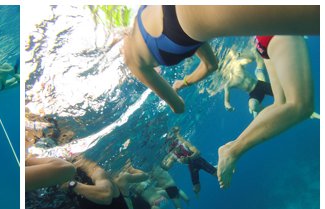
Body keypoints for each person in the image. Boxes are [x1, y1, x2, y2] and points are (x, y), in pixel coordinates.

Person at [120, 5, 318, 114]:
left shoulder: (133, 61)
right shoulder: (140, 16)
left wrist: (178, 87)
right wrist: (186, 80)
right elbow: (211, 65)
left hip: (185, 19)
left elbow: (179, 107)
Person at [218, 35, 316, 188]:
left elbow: (253, 58)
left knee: (280, 103)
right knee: (300, 105)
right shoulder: (228, 84)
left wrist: (253, 64)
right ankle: (233, 151)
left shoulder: (237, 66)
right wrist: (227, 103)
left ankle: (232, 146)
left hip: (263, 46)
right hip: (275, 32)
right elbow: (226, 97)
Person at [63, 156, 134, 209]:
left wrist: (72, 184)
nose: (73, 165)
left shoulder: (98, 173)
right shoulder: (78, 183)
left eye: (74, 161)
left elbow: (106, 196)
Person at [162, 126, 216, 197]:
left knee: (216, 174)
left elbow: (198, 152)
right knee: (197, 188)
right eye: (171, 147)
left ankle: (217, 167)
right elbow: (166, 168)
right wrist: (160, 164)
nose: (174, 148)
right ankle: (214, 167)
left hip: (199, 161)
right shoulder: (172, 156)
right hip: (191, 167)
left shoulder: (184, 144)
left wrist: (190, 158)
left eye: (174, 144)